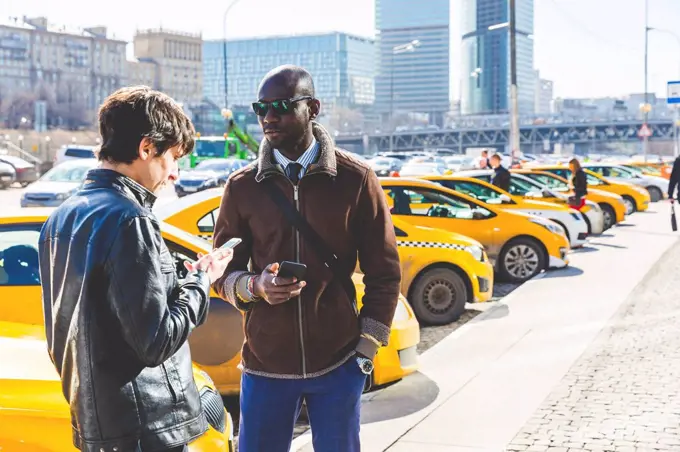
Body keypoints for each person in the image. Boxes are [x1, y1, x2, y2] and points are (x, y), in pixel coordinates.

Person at [212, 65, 402, 451]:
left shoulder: (356, 179)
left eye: (281, 106)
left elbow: (385, 272)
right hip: (265, 365)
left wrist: (365, 351)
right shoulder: (242, 187)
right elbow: (222, 272)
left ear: (312, 107)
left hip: (338, 363)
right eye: (260, 108)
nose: (268, 118)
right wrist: (255, 286)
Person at [38, 86, 233, 452]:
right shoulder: (131, 220)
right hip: (148, 431)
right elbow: (156, 341)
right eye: (173, 157)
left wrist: (174, 277)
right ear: (146, 148)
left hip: (97, 424)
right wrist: (202, 279)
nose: (174, 173)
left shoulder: (60, 218)